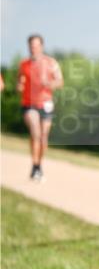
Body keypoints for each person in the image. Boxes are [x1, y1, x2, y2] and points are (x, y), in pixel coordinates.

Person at [17, 34, 63, 181]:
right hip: (29, 104)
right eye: (31, 45)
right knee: (35, 132)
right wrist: (19, 86)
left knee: (43, 138)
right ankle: (35, 165)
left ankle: (37, 165)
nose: (33, 48)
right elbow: (19, 81)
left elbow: (60, 81)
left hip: (46, 103)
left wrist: (49, 84)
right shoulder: (24, 64)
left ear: (41, 46)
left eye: (36, 45)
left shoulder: (51, 63)